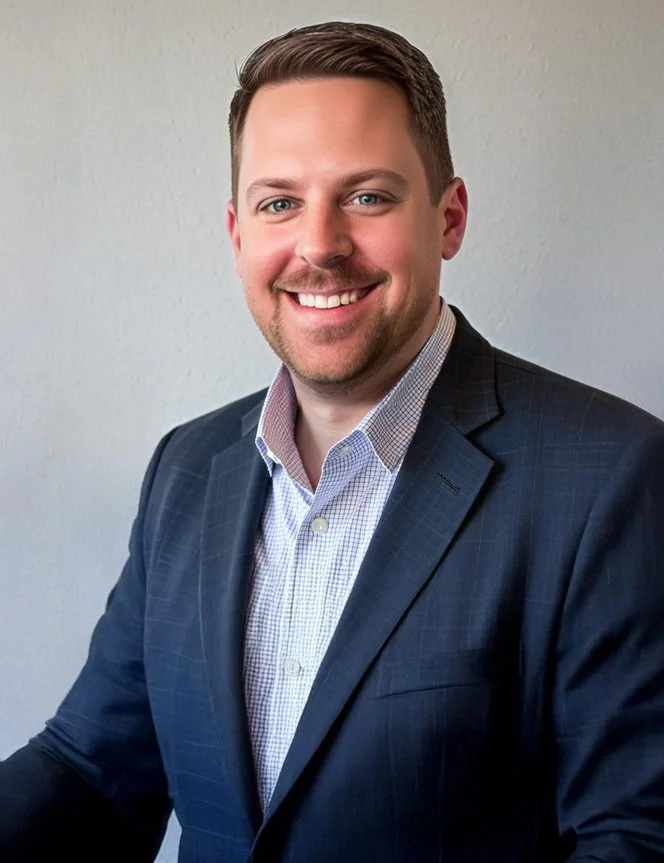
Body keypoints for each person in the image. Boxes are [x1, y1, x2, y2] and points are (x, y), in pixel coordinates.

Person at [2, 20, 664, 863]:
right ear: (239, 233)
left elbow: (633, 837)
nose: (319, 245)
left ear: (449, 218)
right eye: (280, 202)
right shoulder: (186, 470)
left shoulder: (611, 477)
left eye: (368, 196)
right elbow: (93, 770)